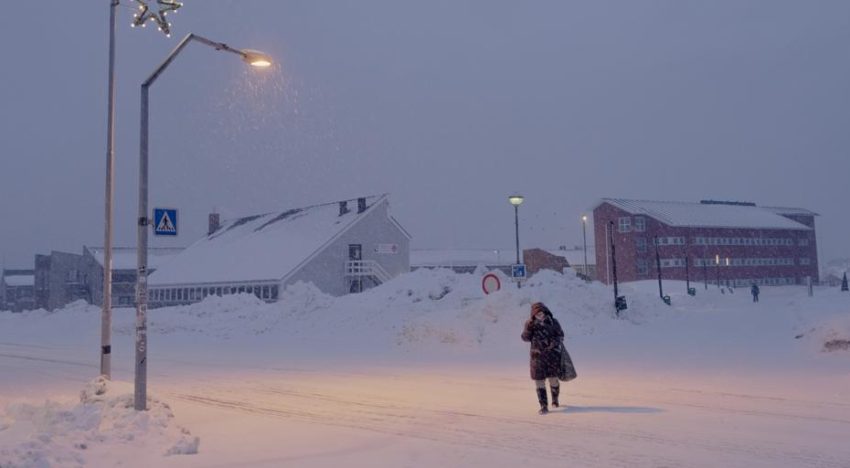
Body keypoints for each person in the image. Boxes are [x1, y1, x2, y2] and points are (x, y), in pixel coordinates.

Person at [521, 302, 564, 414]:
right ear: (533, 315)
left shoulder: (553, 322)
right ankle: (543, 405)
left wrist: (553, 343)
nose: (540, 316)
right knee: (539, 382)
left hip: (552, 356)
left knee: (553, 380)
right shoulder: (530, 324)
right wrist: (528, 329)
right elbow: (525, 338)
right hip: (537, 357)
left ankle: (555, 399)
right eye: (537, 314)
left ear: (545, 312)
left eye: (542, 313)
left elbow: (560, 336)